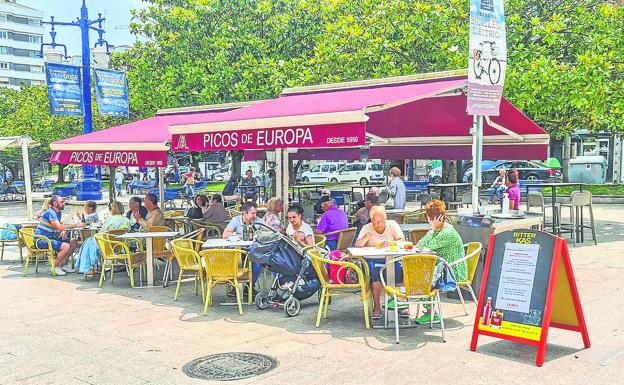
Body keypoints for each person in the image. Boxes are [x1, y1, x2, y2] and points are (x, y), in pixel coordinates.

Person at [416, 199, 466, 324]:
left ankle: (431, 313)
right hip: (444, 268)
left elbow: (422, 245)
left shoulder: (445, 233)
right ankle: (427, 309)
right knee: (422, 274)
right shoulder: (444, 228)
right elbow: (421, 244)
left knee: (422, 277)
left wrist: (431, 229)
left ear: (430, 218)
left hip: (452, 272)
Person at [355, 206, 405, 319]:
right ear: (371, 220)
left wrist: (392, 243)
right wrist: (367, 236)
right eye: (376, 222)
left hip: (392, 258)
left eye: (382, 221)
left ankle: (399, 304)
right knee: (375, 273)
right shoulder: (367, 228)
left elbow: (402, 240)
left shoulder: (392, 224)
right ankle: (377, 307)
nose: (379, 224)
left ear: (386, 219)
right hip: (374, 259)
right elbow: (358, 245)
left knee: (400, 269)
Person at [75, 201, 131, 277]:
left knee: (89, 242)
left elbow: (101, 233)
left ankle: (90, 267)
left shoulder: (109, 220)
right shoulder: (127, 220)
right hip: (120, 247)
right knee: (90, 243)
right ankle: (96, 266)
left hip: (107, 247)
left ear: (112, 210)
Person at [35, 196, 86, 276]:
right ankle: (55, 267)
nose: (64, 204)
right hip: (42, 240)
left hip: (52, 237)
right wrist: (76, 225)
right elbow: (58, 227)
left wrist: (63, 231)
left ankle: (63, 264)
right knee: (65, 246)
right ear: (55, 203)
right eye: (61, 202)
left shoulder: (58, 212)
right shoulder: (50, 212)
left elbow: (58, 227)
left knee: (74, 242)